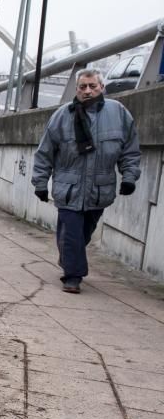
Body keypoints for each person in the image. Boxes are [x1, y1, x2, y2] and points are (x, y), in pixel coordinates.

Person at [32, 69, 141, 293]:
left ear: (102, 87)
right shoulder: (63, 115)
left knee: (81, 235)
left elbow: (129, 150)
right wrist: (40, 183)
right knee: (71, 231)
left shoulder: (118, 113)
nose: (88, 91)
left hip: (99, 190)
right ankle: (73, 276)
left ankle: (69, 259)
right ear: (77, 90)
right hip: (68, 187)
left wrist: (129, 177)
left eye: (92, 86)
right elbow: (45, 152)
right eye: (83, 87)